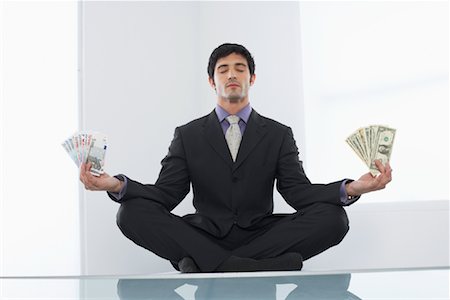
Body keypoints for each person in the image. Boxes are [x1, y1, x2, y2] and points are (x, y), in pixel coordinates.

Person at [79, 43, 392, 273]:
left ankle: (211, 265)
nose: (231, 74)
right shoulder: (187, 134)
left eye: (240, 68)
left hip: (262, 234)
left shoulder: (278, 133)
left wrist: (350, 188)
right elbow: (166, 194)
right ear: (212, 81)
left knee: (334, 217)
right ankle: (260, 266)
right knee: (130, 213)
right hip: (204, 233)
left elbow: (298, 193)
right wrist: (116, 184)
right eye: (223, 69)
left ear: (252, 79)